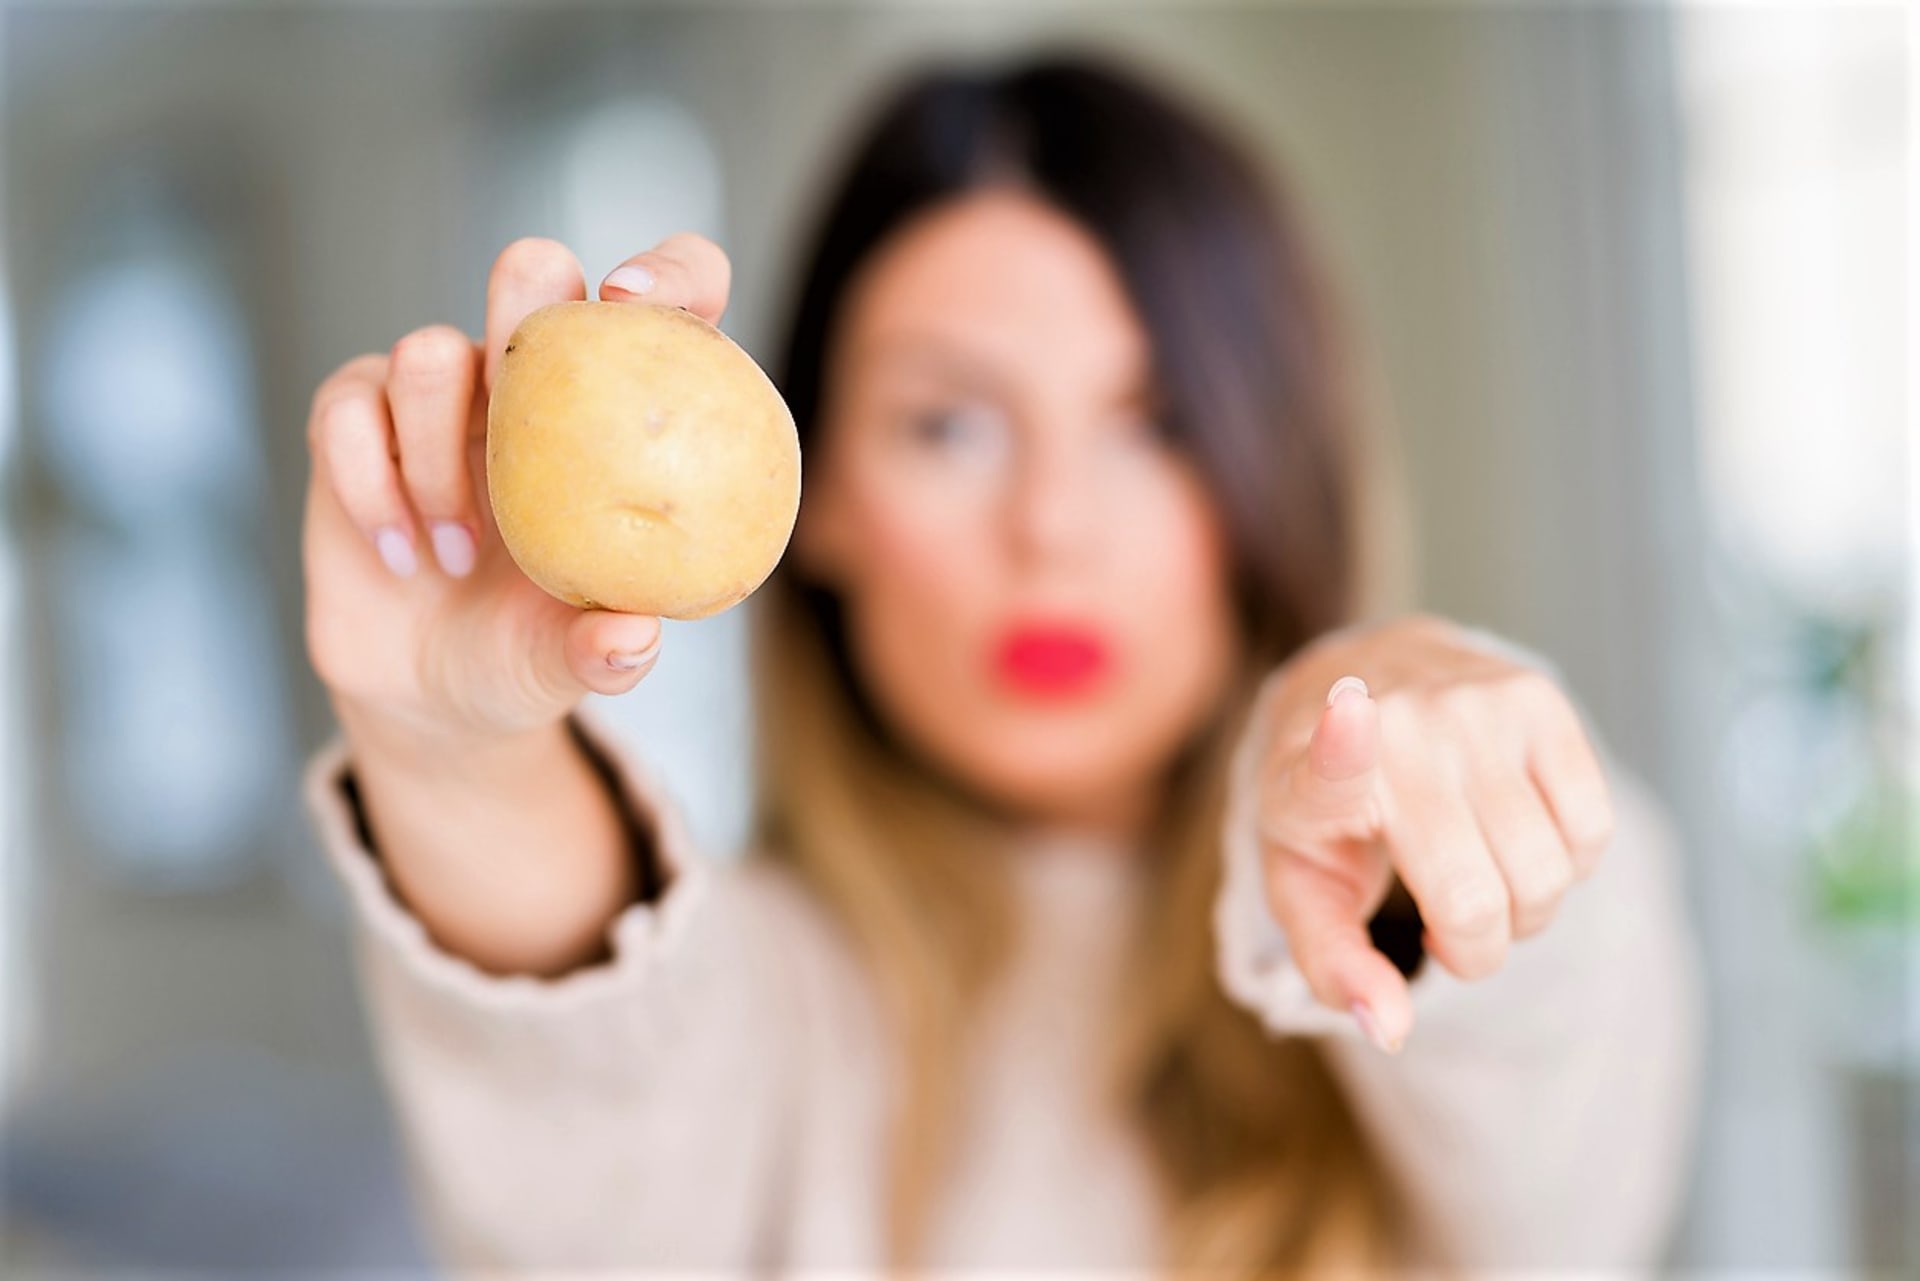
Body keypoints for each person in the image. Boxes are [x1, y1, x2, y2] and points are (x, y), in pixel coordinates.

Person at [300, 54, 1703, 1277]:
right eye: (949, 427)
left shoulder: (1451, 978)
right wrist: (446, 746)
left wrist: (1396, 721)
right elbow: (587, 1126)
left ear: (1274, 476)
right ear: (824, 489)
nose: (1051, 524)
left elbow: (1561, 1149)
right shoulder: (765, 1017)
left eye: (1154, 423)